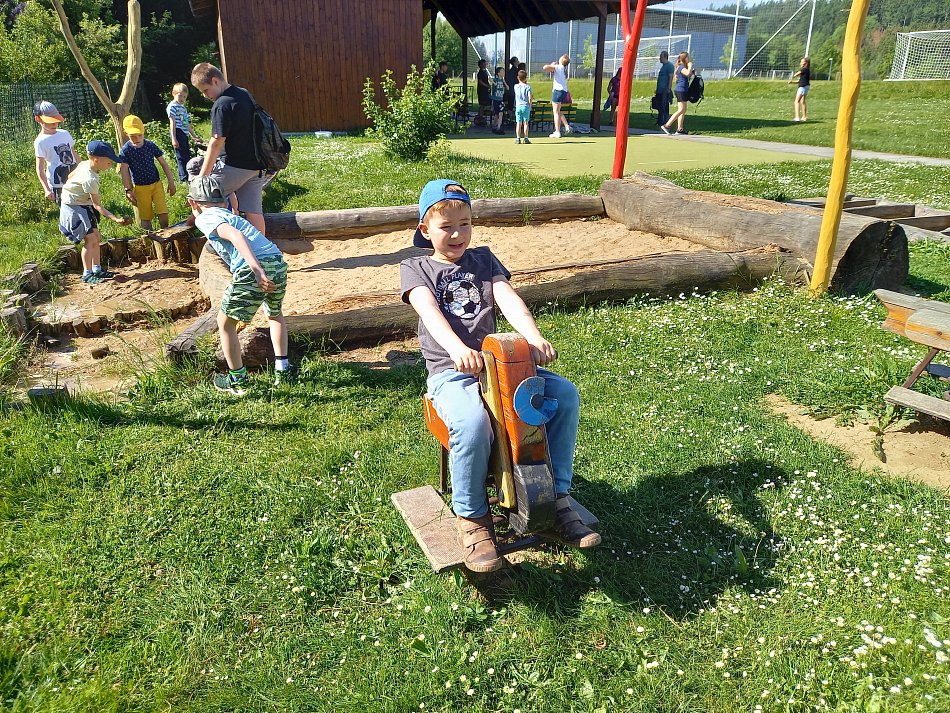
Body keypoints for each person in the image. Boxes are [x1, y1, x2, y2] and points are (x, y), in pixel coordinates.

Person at [400, 179, 602, 573]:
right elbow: (429, 311)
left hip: (503, 366)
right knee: (472, 424)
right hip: (452, 372)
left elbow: (508, 298)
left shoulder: (484, 260)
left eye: (465, 224)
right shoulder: (416, 267)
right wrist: (458, 350)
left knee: (563, 396)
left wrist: (533, 336)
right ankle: (472, 518)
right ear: (425, 229)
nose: (457, 234)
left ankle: (557, 498)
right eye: (446, 227)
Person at [189, 175, 293, 395]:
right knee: (275, 314)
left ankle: (238, 382)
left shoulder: (206, 217)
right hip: (276, 260)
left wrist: (256, 270)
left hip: (253, 267)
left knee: (225, 323)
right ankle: (283, 370)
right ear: (224, 200)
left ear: (193, 202)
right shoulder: (228, 214)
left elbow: (235, 236)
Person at [190, 62, 270, 235]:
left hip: (235, 166)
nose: (205, 96)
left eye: (205, 90)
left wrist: (202, 177)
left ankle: (217, 243)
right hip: (256, 164)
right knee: (254, 212)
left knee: (201, 198)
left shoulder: (222, 104)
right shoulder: (243, 93)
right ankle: (262, 249)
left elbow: (216, 142)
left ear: (215, 81)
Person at [58, 140, 132, 284]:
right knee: (90, 239)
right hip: (73, 207)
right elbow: (97, 206)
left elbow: (70, 176)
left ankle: (97, 269)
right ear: (97, 160)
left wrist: (73, 189)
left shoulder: (85, 164)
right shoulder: (90, 179)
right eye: (109, 162)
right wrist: (116, 219)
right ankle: (87, 274)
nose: (111, 164)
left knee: (96, 236)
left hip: (82, 203)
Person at [118, 114, 177, 231]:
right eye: (133, 136)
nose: (137, 139)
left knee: (162, 211)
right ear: (126, 134)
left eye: (140, 135)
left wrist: (171, 182)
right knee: (145, 216)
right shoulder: (126, 150)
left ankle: (166, 233)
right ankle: (150, 237)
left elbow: (163, 163)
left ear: (143, 131)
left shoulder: (150, 145)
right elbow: (124, 171)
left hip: (156, 184)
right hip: (140, 188)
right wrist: (128, 190)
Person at [33, 101, 77, 206]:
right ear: (38, 119)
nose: (54, 124)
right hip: (58, 185)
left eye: (56, 120)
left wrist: (85, 170)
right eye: (50, 121)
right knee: (66, 210)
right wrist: (47, 189)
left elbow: (74, 154)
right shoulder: (40, 141)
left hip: (75, 179)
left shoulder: (64, 134)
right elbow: (40, 169)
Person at [167, 82, 204, 182]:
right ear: (173, 93)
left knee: (186, 155)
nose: (182, 99)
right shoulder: (172, 106)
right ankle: (183, 178)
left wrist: (194, 136)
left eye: (184, 97)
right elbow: (172, 123)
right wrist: (174, 138)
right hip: (177, 132)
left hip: (184, 133)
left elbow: (186, 123)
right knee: (181, 157)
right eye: (180, 96)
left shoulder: (183, 108)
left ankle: (188, 176)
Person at [661, 51, 694, 135]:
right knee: (681, 110)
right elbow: (687, 73)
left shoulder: (683, 67)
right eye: (688, 57)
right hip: (681, 90)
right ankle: (667, 125)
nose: (689, 59)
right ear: (684, 58)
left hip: (683, 89)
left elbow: (689, 75)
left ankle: (680, 129)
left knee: (683, 110)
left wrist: (691, 71)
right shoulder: (681, 67)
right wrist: (690, 66)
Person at [542, 54, 572, 138]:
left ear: (562, 60)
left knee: (555, 112)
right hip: (564, 91)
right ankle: (566, 126)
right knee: (558, 111)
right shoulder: (563, 69)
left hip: (557, 91)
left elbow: (545, 67)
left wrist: (552, 65)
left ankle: (557, 131)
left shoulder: (558, 67)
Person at [655, 51, 675, 128]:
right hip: (660, 90)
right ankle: (660, 121)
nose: (659, 58)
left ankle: (665, 122)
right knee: (660, 106)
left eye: (661, 57)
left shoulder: (669, 66)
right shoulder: (663, 66)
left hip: (665, 90)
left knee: (664, 107)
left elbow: (670, 77)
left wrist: (668, 88)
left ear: (664, 57)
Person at [513, 69, 533, 144]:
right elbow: (530, 97)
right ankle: (526, 138)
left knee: (518, 123)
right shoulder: (528, 87)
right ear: (526, 78)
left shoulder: (516, 86)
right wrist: (530, 105)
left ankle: (518, 138)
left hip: (518, 106)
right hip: (526, 106)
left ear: (518, 77)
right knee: (526, 123)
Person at [789, 57, 810, 122]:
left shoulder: (804, 69)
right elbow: (800, 81)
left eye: (802, 62)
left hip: (802, 87)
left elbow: (797, 74)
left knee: (796, 101)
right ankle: (804, 117)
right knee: (802, 101)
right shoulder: (807, 70)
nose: (800, 63)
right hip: (806, 86)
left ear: (806, 63)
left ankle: (797, 117)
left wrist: (794, 75)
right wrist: (792, 82)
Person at [490, 66, 507, 135]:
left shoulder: (503, 81)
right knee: (496, 114)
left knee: (501, 113)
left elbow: (508, 88)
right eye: (502, 72)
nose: (504, 73)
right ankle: (494, 126)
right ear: (498, 73)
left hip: (501, 99)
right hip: (495, 99)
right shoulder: (496, 79)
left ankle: (499, 127)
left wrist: (504, 82)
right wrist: (495, 83)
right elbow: (490, 79)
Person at [504, 56, 519, 125]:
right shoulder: (516, 71)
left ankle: (508, 118)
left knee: (510, 106)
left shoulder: (509, 71)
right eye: (517, 60)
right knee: (514, 105)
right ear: (515, 62)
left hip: (509, 91)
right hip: (514, 91)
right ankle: (514, 119)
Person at [476, 59, 491, 124]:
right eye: (484, 64)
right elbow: (480, 81)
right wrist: (486, 85)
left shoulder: (485, 72)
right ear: (481, 65)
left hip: (485, 91)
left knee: (484, 104)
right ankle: (480, 117)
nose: (485, 65)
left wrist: (489, 85)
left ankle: (481, 117)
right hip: (481, 91)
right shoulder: (480, 73)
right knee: (481, 104)